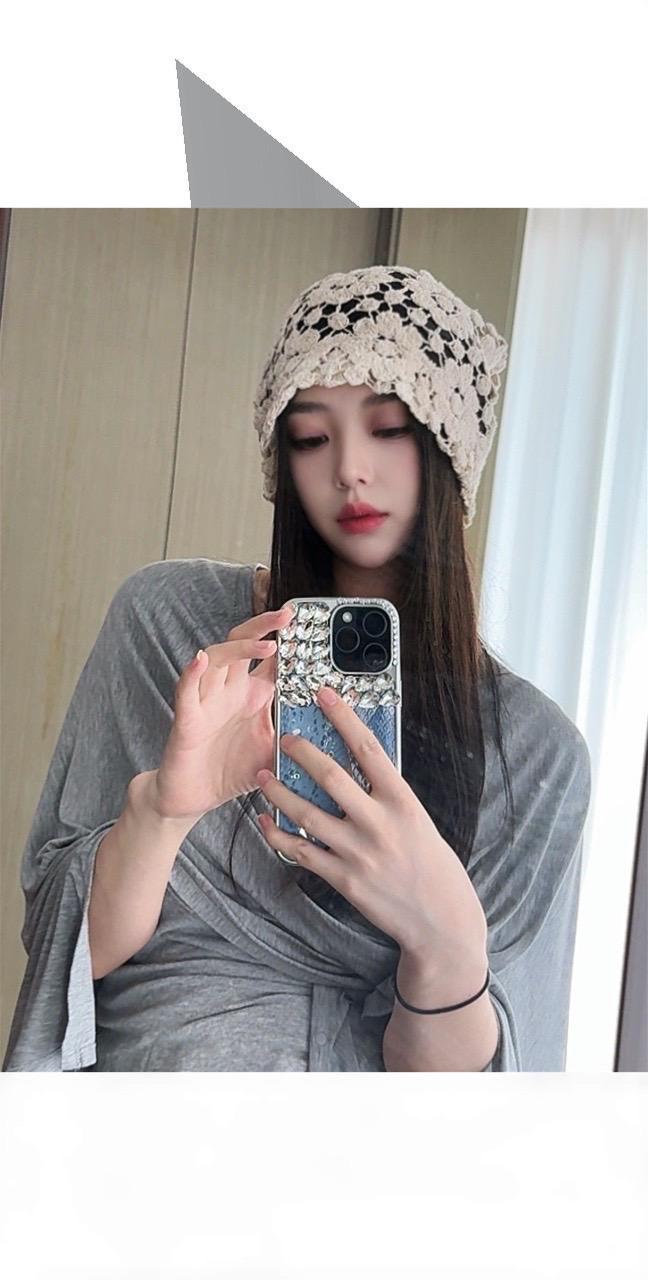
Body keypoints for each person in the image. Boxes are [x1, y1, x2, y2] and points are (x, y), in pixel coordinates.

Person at [2, 265, 591, 1072]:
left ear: (450, 453)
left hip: (360, 1147)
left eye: (388, 429)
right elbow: (70, 951)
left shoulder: (536, 754)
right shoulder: (165, 621)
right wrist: (164, 813)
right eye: (312, 438)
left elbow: (477, 1103)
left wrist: (448, 943)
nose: (349, 468)